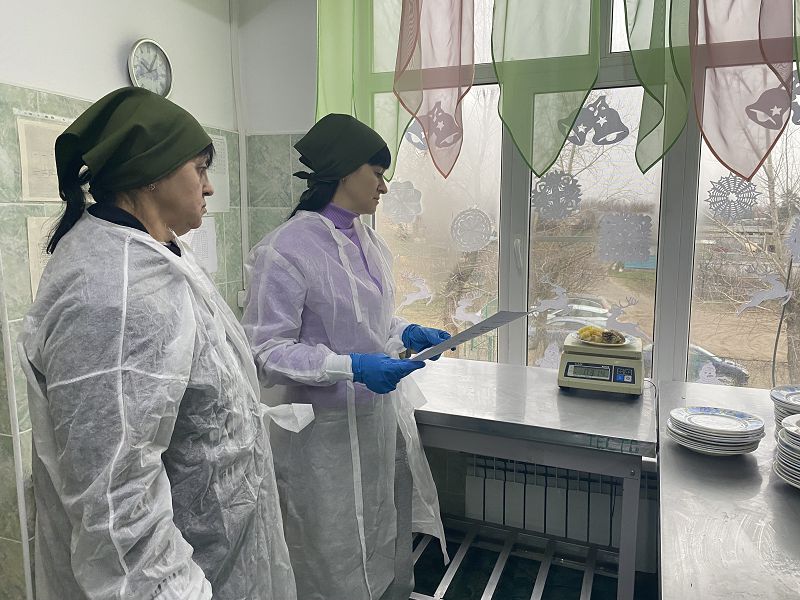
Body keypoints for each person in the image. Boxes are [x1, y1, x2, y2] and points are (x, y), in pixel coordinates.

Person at [17, 87, 296, 600]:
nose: (209, 187)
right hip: (171, 578)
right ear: (152, 173)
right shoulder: (117, 293)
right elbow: (116, 500)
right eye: (199, 169)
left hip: (214, 549)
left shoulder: (159, 254)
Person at [242, 113, 450, 600]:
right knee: (328, 557)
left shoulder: (369, 242)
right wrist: (350, 367)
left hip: (375, 428)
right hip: (321, 441)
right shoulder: (284, 251)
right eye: (376, 173)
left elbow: (368, 323)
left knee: (380, 538)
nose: (383, 186)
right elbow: (265, 350)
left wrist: (405, 331)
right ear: (343, 172)